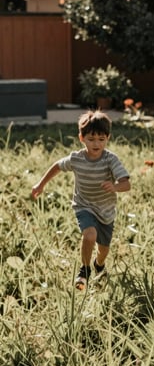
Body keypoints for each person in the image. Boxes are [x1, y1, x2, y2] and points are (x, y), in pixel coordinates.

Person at [31, 110, 131, 290]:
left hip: (106, 211)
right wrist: (40, 184)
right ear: (81, 138)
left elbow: (126, 184)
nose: (96, 143)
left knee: (103, 250)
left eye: (101, 139)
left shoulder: (110, 159)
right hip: (83, 205)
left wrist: (115, 186)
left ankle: (98, 265)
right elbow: (57, 166)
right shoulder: (76, 159)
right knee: (89, 235)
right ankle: (84, 269)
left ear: (107, 138)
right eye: (91, 139)